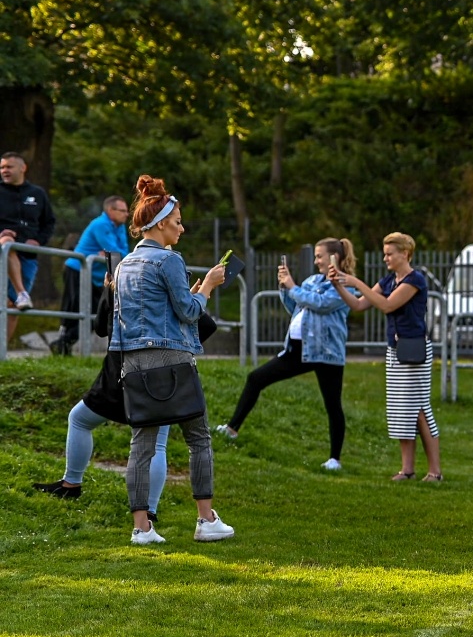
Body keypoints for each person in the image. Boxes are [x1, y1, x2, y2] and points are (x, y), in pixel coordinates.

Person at [111, 175, 233, 545]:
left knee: (141, 445)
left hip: (133, 361)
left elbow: (147, 310)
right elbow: (188, 311)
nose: (182, 228)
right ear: (161, 222)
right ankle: (206, 520)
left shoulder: (124, 264)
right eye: (178, 221)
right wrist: (208, 287)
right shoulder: (169, 260)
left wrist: (192, 294)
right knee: (198, 439)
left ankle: (141, 528)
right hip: (173, 359)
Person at [32, 274, 218, 515]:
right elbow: (207, 327)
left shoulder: (125, 287)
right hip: (158, 376)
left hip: (117, 374)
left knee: (80, 419)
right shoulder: (170, 300)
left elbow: (100, 327)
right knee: (156, 444)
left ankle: (72, 483)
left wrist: (108, 291)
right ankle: (149, 510)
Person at [217, 238, 353, 471]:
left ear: (335, 258)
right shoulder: (311, 280)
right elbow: (297, 306)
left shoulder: (344, 285)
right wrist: (284, 288)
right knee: (256, 378)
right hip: (298, 350)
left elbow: (319, 303)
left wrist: (292, 286)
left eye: (320, 256)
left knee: (332, 404)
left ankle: (334, 459)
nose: (316, 260)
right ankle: (231, 429)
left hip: (326, 353)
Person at [329, 232, 442, 481]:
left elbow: (388, 305)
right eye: (385, 253)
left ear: (405, 253)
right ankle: (407, 470)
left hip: (414, 351)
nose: (386, 258)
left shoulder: (415, 280)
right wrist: (339, 285)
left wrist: (356, 282)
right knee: (402, 411)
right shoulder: (389, 279)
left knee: (420, 409)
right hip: (395, 350)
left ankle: (435, 471)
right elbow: (359, 305)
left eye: (390, 253)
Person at [57, 194, 130, 354]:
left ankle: (63, 343)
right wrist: (112, 253)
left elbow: (123, 253)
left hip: (94, 276)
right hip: (77, 270)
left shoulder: (119, 226)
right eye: (123, 210)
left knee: (97, 312)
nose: (127, 214)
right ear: (110, 210)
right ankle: (62, 345)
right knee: (74, 309)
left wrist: (113, 253)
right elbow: (115, 251)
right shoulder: (101, 224)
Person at [0, 150, 56, 339]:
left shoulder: (37, 193)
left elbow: (49, 222)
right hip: (3, 252)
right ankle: (21, 291)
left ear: (23, 168)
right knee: (7, 242)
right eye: (2, 167)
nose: (4, 170)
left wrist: (38, 240)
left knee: (14, 306)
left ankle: (2, 353)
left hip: (28, 256)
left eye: (9, 166)